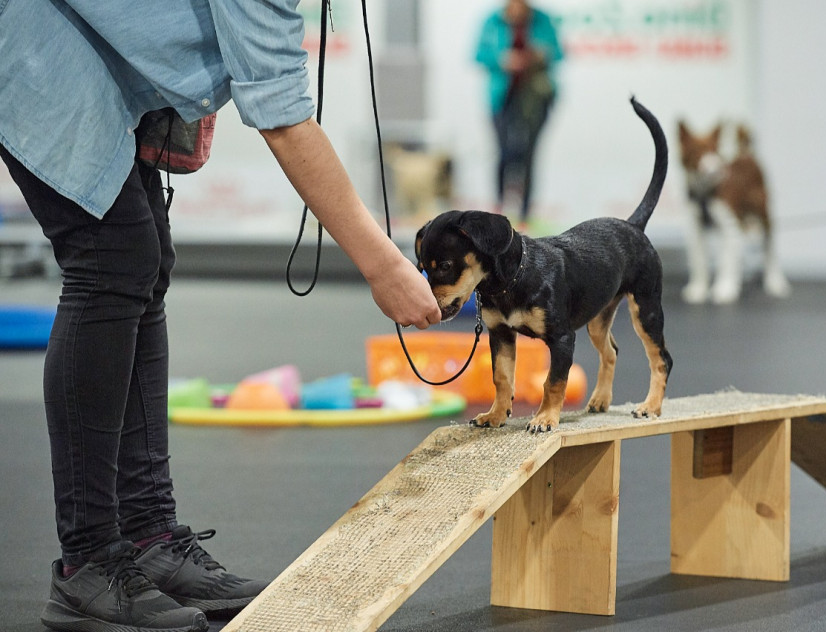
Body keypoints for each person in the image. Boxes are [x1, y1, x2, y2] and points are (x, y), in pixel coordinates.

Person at [0, 2, 441, 632]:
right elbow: (283, 118)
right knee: (111, 258)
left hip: (82, 49)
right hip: (29, 42)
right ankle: (87, 564)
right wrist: (384, 266)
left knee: (142, 259)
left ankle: (148, 538)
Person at [475, 0, 563, 226]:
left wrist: (538, 56)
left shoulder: (542, 20)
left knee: (529, 154)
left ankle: (525, 214)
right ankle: (499, 210)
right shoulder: (492, 21)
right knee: (503, 152)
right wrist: (502, 59)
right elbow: (478, 54)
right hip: (503, 98)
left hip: (535, 99)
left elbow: (558, 53)